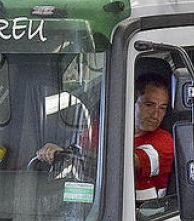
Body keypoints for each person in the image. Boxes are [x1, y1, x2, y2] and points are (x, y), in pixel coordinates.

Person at [33, 74, 174, 201]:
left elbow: (123, 163)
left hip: (144, 216)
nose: (156, 115)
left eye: (162, 108)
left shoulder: (165, 142)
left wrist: (70, 154)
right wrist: (54, 154)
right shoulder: (99, 130)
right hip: (93, 207)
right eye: (149, 105)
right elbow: (74, 160)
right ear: (130, 103)